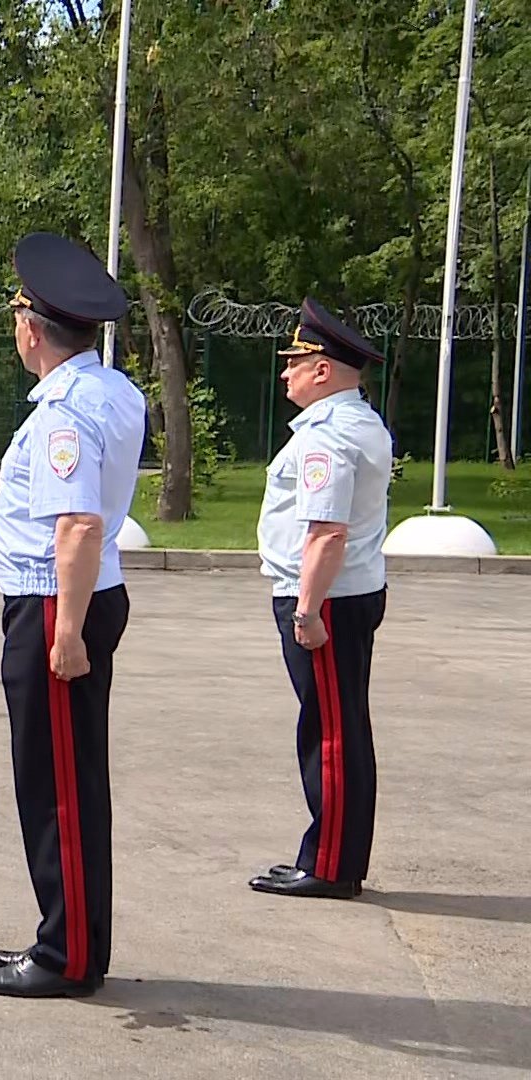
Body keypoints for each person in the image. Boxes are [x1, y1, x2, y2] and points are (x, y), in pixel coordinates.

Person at [0, 232, 143, 999]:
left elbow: (76, 525)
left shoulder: (65, 413)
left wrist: (65, 630)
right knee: (66, 782)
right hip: (69, 598)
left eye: (16, 316)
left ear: (32, 328)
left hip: (54, 605)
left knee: (57, 789)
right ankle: (71, 937)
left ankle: (67, 954)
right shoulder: (109, 390)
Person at [248, 299, 392, 901]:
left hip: (325, 602)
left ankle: (330, 865)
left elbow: (326, 532)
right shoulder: (360, 424)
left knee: (330, 734)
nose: (286, 373)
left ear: (323, 369)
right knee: (339, 727)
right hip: (346, 594)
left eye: (294, 362)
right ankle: (333, 855)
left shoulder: (327, 438)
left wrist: (307, 610)